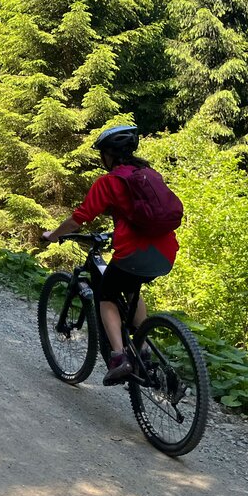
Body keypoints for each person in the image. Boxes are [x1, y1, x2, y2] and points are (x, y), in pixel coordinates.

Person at [41, 126, 179, 385]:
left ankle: (119, 357)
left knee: (106, 295)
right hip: (165, 253)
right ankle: (144, 348)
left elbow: (79, 218)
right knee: (131, 288)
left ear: (109, 155)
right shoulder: (150, 174)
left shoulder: (110, 181)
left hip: (133, 253)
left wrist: (55, 235)